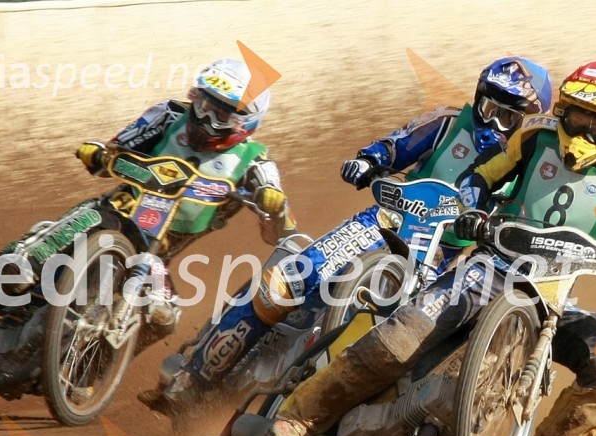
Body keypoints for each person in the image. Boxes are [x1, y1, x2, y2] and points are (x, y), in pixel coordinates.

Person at [264, 61, 596, 436]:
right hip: (490, 268)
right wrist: (470, 211)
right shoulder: (534, 136)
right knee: (402, 334)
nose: (583, 128)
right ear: (562, 108)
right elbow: (484, 176)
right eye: (578, 114)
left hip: (554, 298)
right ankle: (300, 416)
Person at [137, 57, 553, 416]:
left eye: (508, 117)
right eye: (488, 107)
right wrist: (367, 162)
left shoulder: (527, 164)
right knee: (288, 281)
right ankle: (194, 380)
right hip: (386, 219)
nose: (493, 122)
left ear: (527, 122)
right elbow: (394, 146)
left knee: (411, 343)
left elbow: (523, 220)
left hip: (443, 256)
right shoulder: (446, 122)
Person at [0, 59, 296, 399]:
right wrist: (100, 152)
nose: (205, 118)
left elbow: (280, 226)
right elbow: (114, 150)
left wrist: (274, 206)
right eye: (204, 104)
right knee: (26, 259)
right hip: (113, 214)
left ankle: (84, 374)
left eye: (221, 114)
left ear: (246, 124)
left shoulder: (254, 161)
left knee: (163, 315)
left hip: (158, 253)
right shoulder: (168, 115)